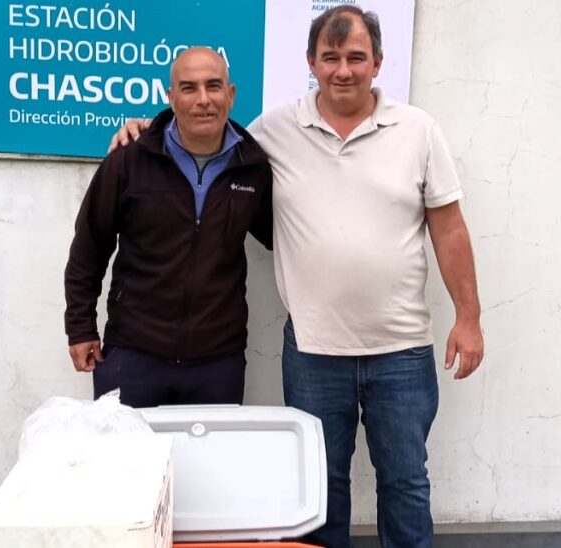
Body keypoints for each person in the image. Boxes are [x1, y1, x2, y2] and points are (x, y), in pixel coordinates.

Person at [110, 7, 484, 547]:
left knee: (405, 482)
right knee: (320, 488)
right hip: (313, 352)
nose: (343, 70)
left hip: (402, 351)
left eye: (356, 57)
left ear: (378, 62)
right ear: (311, 62)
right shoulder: (275, 130)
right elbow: (203, 131)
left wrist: (468, 318)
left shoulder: (418, 131)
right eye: (330, 57)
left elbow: (449, 230)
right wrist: (145, 128)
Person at [65, 47, 273, 408]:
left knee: (214, 449)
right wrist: (80, 328)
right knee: (126, 448)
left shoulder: (252, 166)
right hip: (133, 354)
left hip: (217, 361)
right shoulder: (130, 159)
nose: (203, 99)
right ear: (171, 97)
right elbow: (89, 247)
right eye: (188, 88)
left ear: (231, 94)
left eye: (213, 86)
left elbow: (282, 236)